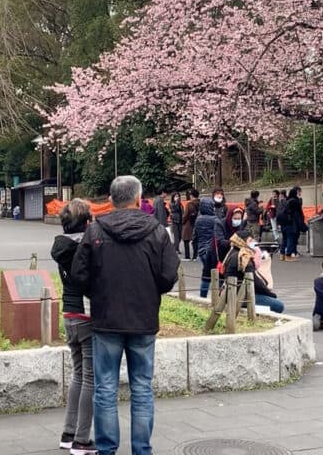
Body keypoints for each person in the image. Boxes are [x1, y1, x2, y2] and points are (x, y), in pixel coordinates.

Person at [70, 176, 179, 455]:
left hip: (106, 319)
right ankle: (142, 450)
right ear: (138, 198)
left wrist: (98, 291)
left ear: (111, 199)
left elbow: (79, 275)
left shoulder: (95, 231)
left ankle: (107, 450)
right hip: (143, 320)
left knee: (105, 388)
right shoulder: (156, 231)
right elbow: (168, 276)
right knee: (142, 387)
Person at [51, 200, 96, 454]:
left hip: (68, 313)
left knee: (78, 374)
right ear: (87, 221)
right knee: (90, 377)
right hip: (87, 313)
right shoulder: (86, 246)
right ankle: (81, 439)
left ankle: (68, 433)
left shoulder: (61, 245)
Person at [220, 229, 285, 313]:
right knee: (278, 305)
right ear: (242, 241)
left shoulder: (232, 252)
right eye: (250, 241)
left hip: (231, 293)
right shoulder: (244, 256)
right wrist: (270, 294)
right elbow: (254, 280)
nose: (252, 243)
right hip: (240, 295)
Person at [194, 198, 226, 298]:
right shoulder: (215, 220)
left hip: (202, 250)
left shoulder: (198, 219)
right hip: (213, 251)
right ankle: (218, 296)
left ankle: (202, 296)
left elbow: (195, 236)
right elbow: (220, 236)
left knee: (206, 274)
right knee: (219, 274)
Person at [280, 187, 305, 261]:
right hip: (291, 223)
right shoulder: (295, 201)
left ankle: (282, 255)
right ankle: (288, 255)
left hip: (284, 222)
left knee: (284, 239)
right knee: (290, 238)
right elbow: (299, 213)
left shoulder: (286, 201)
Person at [182, 189, 200, 261]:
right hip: (197, 223)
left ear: (191, 196)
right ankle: (195, 256)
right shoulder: (201, 203)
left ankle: (187, 256)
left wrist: (183, 222)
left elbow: (185, 215)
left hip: (189, 224)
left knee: (186, 239)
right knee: (196, 240)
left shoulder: (189, 205)